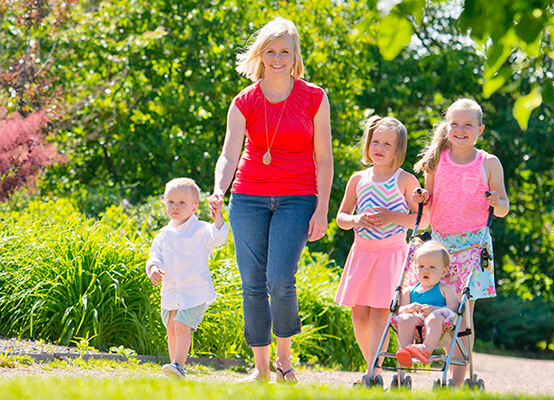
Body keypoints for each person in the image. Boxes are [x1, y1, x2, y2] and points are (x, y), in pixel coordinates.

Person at [208, 16, 333, 384]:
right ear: (260, 55)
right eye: (271, 51)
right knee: (252, 283)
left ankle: (284, 360)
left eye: (285, 51)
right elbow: (229, 154)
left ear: (295, 56)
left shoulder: (314, 97)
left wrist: (322, 208)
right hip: (248, 196)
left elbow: (324, 158)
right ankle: (260, 370)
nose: (277, 58)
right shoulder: (243, 101)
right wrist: (219, 188)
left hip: (297, 197)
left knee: (280, 278)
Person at [412, 98, 510, 386]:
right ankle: (430, 354)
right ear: (447, 127)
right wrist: (421, 198)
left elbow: (504, 207)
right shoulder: (436, 161)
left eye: (468, 124)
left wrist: (496, 201)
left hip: (474, 246)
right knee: (436, 307)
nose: (460, 129)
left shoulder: (488, 162)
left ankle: (455, 380)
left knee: (463, 313)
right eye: (454, 123)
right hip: (440, 247)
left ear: (480, 129)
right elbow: (428, 203)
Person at [332, 116, 424, 370]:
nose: (380, 148)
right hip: (361, 254)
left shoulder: (405, 180)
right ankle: (373, 366)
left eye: (387, 144)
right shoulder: (358, 179)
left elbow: (423, 220)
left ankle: (373, 371)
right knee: (359, 315)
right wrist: (356, 219)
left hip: (391, 254)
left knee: (381, 313)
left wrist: (391, 217)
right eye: (375, 142)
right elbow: (341, 218)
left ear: (398, 150)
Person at [146, 177, 230, 379]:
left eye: (182, 202)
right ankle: (174, 367)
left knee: (182, 325)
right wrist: (153, 269)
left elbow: (220, 236)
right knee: (171, 327)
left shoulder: (202, 229)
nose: (175, 206)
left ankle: (178, 365)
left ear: (194, 207)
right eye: (171, 202)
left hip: (195, 292)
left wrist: (217, 216)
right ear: (165, 203)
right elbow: (154, 256)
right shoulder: (163, 235)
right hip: (171, 291)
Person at [391, 240, 460, 368]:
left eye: (432, 267)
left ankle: (425, 349)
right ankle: (406, 350)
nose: (426, 271)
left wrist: (434, 309)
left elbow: (454, 307)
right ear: (416, 269)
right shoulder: (409, 291)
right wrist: (409, 308)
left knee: (433, 317)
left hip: (438, 320)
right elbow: (400, 310)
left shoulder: (445, 289)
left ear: (443, 272)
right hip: (417, 319)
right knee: (405, 318)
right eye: (421, 267)